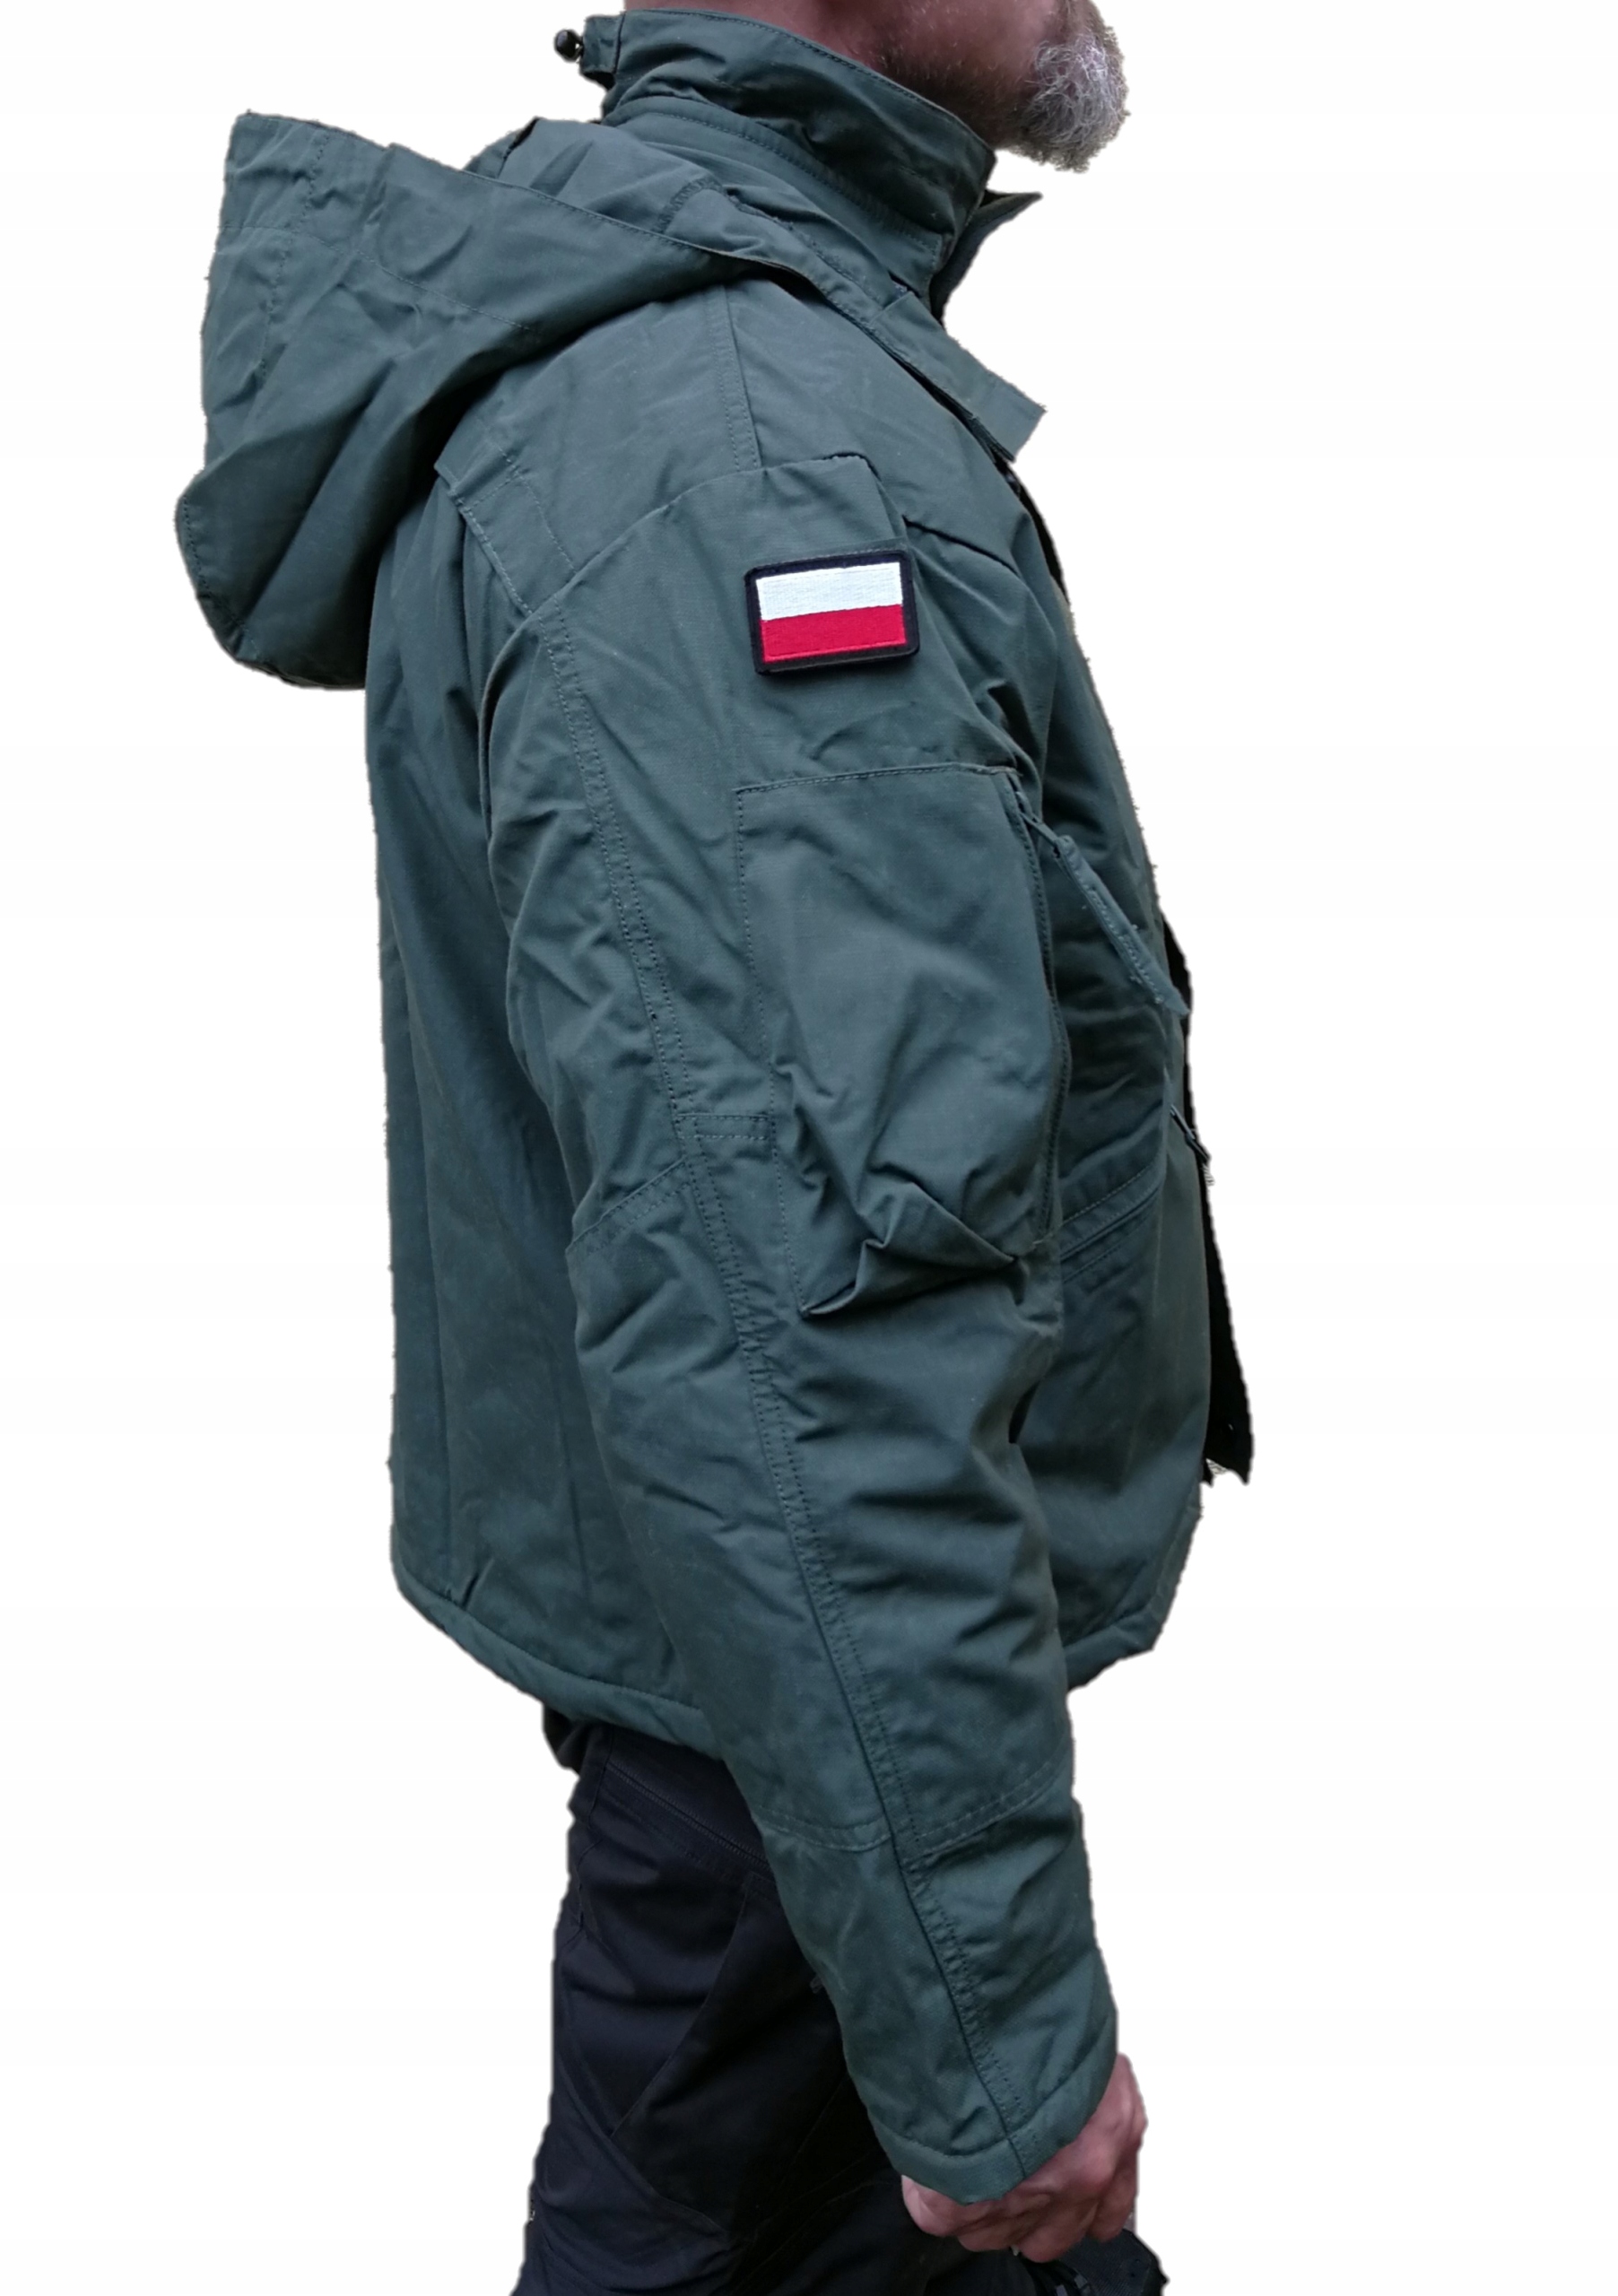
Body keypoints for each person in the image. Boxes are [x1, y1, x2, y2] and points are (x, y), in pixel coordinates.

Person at [176, 3, 1249, 2286]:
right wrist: (990, 2035)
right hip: (795, 1757)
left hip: (796, 1731)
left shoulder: (724, 371)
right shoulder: (744, 456)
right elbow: (806, 1310)